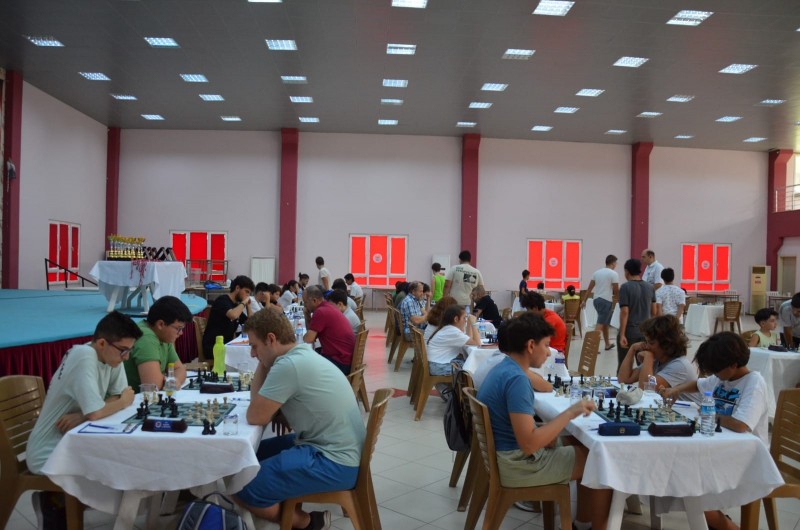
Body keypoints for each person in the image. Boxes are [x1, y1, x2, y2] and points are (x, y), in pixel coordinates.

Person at [234, 308, 365, 530]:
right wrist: (265, 360)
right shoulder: (301, 353)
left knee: (242, 486)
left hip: (334, 462)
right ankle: (278, 500)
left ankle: (308, 522)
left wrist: (263, 364)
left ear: (271, 339)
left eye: (254, 346)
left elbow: (255, 416)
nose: (253, 354)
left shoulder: (288, 365)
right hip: (339, 450)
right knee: (248, 455)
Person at [477, 313, 611, 530]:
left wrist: (547, 433)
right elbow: (529, 444)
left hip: (505, 455)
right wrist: (570, 412)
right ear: (531, 345)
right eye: (546, 345)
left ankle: (582, 523)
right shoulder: (517, 380)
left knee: (579, 444)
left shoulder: (504, 368)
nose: (549, 352)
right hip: (517, 465)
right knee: (601, 461)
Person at [27, 312, 142, 527]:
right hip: (49, 452)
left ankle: (55, 504)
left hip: (74, 440)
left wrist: (84, 415)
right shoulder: (83, 355)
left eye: (129, 351)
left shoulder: (111, 358)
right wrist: (113, 404)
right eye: (123, 351)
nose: (126, 357)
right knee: (120, 466)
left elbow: (118, 396)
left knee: (125, 462)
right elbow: (112, 405)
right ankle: (53, 504)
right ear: (102, 343)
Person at [662, 332, 769, 530]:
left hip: (745, 457)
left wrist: (709, 413)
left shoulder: (754, 383)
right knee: (679, 474)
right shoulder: (722, 378)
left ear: (733, 365)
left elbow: (741, 425)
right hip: (720, 448)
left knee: (687, 486)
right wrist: (677, 390)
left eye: (716, 371)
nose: (714, 375)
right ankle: (716, 521)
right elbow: (698, 384)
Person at [617, 315, 698, 401]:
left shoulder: (679, 365)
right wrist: (632, 349)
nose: (646, 346)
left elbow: (645, 390)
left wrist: (648, 358)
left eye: (651, 343)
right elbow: (624, 379)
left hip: (689, 409)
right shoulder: (657, 359)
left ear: (666, 344)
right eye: (646, 342)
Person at [124, 295, 190, 391]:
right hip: (132, 398)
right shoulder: (145, 337)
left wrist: (174, 381)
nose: (181, 333)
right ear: (160, 324)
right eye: (178, 328)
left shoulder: (163, 336)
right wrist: (170, 381)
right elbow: (153, 385)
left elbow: (180, 369)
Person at [303, 285, 356, 374]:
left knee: (304, 364)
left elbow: (308, 339)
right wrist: (307, 315)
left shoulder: (320, 312)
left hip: (340, 362)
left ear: (314, 301)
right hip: (345, 358)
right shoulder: (328, 307)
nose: (304, 306)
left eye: (305, 302)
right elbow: (313, 337)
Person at [617, 258, 657, 370]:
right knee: (644, 366)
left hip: (629, 332)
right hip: (645, 333)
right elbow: (654, 312)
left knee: (624, 366)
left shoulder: (625, 287)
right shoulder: (650, 287)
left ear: (627, 271)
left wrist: (622, 334)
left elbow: (625, 311)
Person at [203, 275, 255, 355]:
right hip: (214, 347)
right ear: (237, 288)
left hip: (227, 346)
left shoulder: (235, 305)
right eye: (246, 291)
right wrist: (244, 302)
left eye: (249, 293)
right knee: (247, 354)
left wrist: (248, 306)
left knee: (252, 351)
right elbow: (233, 315)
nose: (248, 295)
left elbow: (251, 323)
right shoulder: (222, 300)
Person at [426, 305, 481, 375]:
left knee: (469, 363)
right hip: (439, 367)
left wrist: (470, 324)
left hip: (435, 364)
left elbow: (468, 340)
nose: (466, 321)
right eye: (464, 318)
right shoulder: (452, 331)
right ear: (456, 319)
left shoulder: (448, 328)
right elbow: (477, 343)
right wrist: (474, 324)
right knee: (472, 367)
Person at [581, 254, 619, 351]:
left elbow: (589, 289)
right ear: (613, 263)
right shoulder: (613, 274)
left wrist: (584, 301)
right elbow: (616, 290)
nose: (616, 265)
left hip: (596, 300)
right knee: (601, 324)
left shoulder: (596, 273)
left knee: (604, 323)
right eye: (616, 263)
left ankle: (607, 344)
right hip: (606, 301)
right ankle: (592, 348)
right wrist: (619, 300)